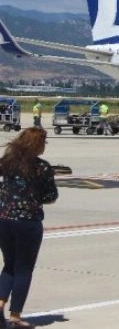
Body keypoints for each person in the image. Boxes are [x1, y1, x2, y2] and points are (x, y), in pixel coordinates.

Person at [0, 127, 58, 327]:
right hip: (28, 222)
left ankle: (0, 304)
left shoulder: (7, 162)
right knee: (23, 269)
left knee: (9, 266)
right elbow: (51, 196)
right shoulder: (42, 167)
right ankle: (15, 315)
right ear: (37, 145)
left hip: (4, 219)